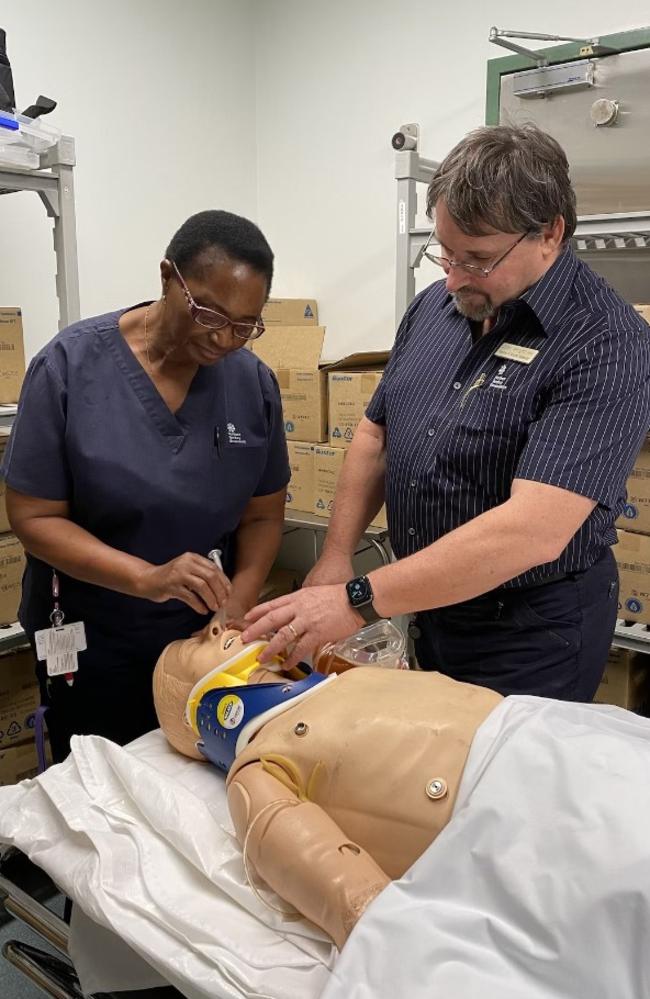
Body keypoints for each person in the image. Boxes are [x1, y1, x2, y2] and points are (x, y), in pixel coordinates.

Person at [240, 124, 650, 701]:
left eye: (477, 259)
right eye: (445, 252)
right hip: (429, 606)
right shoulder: (436, 306)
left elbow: (531, 531)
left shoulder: (605, 341)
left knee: (498, 779)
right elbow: (375, 435)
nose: (453, 277)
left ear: (550, 234)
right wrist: (336, 557)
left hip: (530, 632)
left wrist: (356, 600)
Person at [2, 209, 290, 762]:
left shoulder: (252, 384)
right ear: (167, 277)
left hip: (202, 642)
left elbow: (262, 516)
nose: (225, 338)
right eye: (209, 311)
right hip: (92, 641)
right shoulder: (69, 367)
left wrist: (238, 607)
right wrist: (147, 578)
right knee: (102, 793)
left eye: (245, 325)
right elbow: (32, 518)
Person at [152, 614, 503, 949]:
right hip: (495, 813)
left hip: (527, 724)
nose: (215, 627)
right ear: (198, 722)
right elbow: (359, 906)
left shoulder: (343, 676)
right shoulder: (259, 767)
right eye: (194, 644)